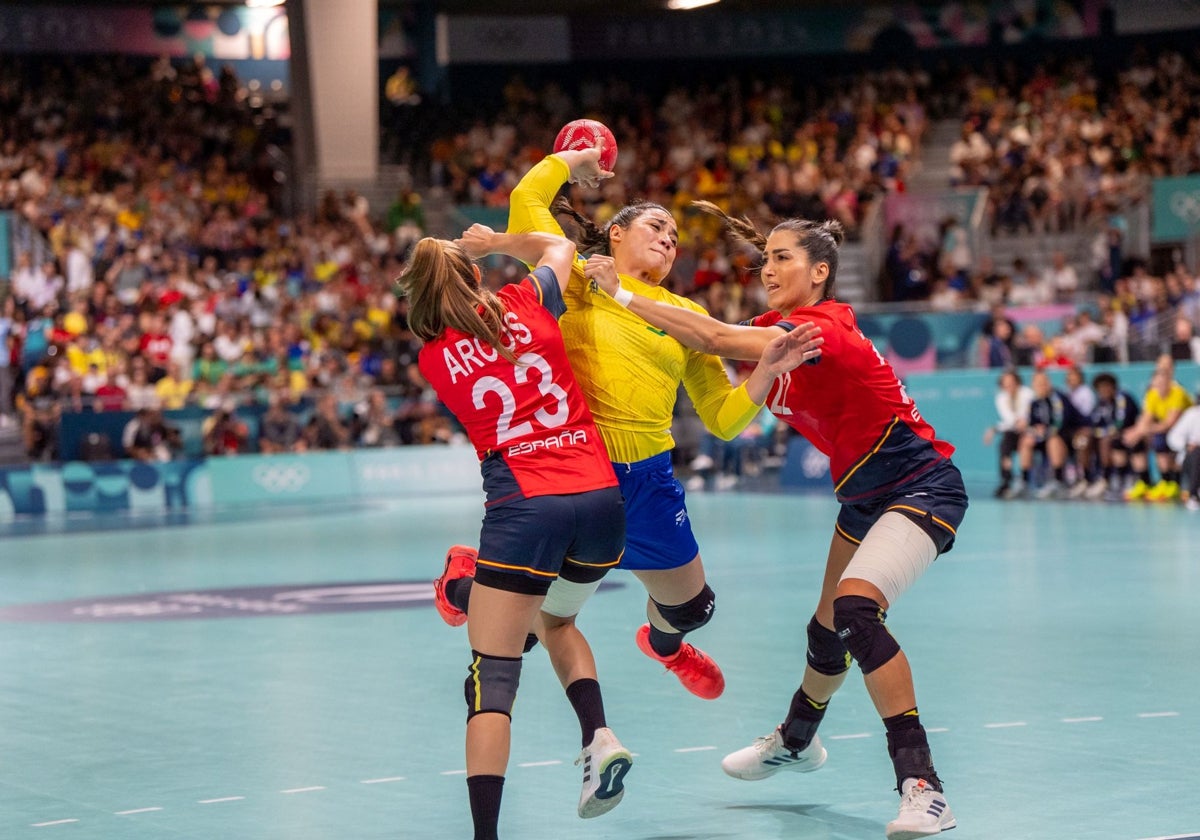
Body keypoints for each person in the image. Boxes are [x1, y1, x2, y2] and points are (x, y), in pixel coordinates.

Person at [588, 202, 967, 839]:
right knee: (825, 633)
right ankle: (796, 741)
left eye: (782, 258)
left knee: (855, 612)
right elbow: (710, 349)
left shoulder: (817, 332)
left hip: (920, 484)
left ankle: (923, 787)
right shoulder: (776, 327)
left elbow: (709, 337)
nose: (767, 269)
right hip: (865, 496)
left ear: (820, 271)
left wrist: (619, 290)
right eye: (764, 258)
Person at [501, 144, 823, 701]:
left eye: (675, 238)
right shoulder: (571, 273)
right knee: (526, 620)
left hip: (649, 479)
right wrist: (574, 160)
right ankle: (466, 578)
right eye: (656, 226)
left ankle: (665, 645)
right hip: (582, 470)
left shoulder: (687, 316)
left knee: (693, 607)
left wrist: (765, 371)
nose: (668, 240)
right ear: (617, 234)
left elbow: (723, 420)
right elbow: (524, 198)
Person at [402, 226, 630, 840]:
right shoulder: (525, 302)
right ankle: (598, 736)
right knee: (555, 622)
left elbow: (444, 323)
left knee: (492, 681)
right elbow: (561, 249)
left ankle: (485, 838)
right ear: (475, 277)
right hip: (602, 502)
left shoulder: (431, 356)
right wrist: (496, 241)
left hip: (526, 509)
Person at [1121, 356, 1194, 501]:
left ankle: (1172, 484)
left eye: (1163, 381)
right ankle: (1145, 482)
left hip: (1189, 431)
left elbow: (1169, 423)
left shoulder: (1177, 392)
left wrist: (1142, 430)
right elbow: (1146, 419)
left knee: (1161, 440)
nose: (1159, 384)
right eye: (1157, 382)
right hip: (1172, 430)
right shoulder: (1152, 394)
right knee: (1137, 441)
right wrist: (1136, 432)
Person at [1011, 369, 1087, 500]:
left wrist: (1044, 431)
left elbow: (1060, 423)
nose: (1041, 386)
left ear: (1049, 383)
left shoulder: (1058, 399)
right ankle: (1024, 482)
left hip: (1066, 437)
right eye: (1038, 383)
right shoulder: (1034, 403)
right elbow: (1031, 424)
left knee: (1053, 440)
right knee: (1026, 440)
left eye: (1044, 382)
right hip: (1043, 438)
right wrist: (1034, 431)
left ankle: (1058, 481)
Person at [1083, 372, 1143, 500]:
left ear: (1113, 386)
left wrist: (1103, 432)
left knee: (1107, 441)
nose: (1103, 391)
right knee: (1084, 440)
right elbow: (1094, 423)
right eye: (1100, 388)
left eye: (1106, 387)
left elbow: (1121, 423)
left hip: (1129, 434)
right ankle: (1086, 479)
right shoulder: (1101, 403)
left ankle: (1111, 479)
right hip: (1110, 435)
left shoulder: (1123, 398)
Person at [982, 369, 1033, 497]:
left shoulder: (1028, 394)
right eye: (1005, 384)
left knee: (1025, 441)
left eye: (1011, 383)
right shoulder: (1001, 398)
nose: (1008, 387)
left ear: (1017, 382)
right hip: (1012, 431)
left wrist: (996, 429)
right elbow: (1010, 421)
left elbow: (1028, 417)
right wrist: (996, 429)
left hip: (1030, 430)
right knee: (1005, 446)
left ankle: (1025, 481)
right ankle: (1006, 480)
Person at [1166, 393, 1200, 510]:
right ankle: (1193, 495)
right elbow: (1172, 437)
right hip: (1192, 459)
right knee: (1197, 452)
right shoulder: (1193, 414)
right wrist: (1186, 445)